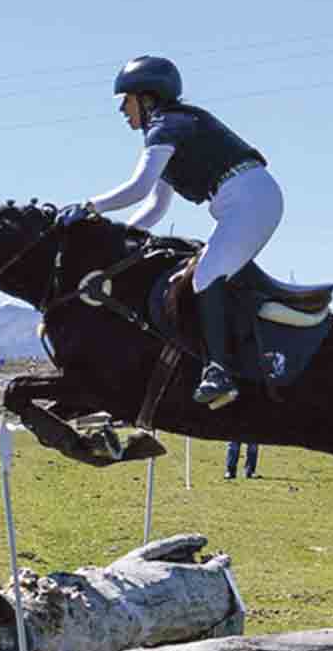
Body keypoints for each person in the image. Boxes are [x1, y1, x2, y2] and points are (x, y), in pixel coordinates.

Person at [57, 55, 285, 409]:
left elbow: (137, 188)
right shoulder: (172, 128)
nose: (122, 110)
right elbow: (155, 206)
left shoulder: (165, 127)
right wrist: (119, 239)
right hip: (245, 198)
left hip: (249, 199)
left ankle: (219, 372)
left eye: (126, 100)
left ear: (147, 99)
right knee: (205, 273)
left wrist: (90, 208)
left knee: (206, 274)